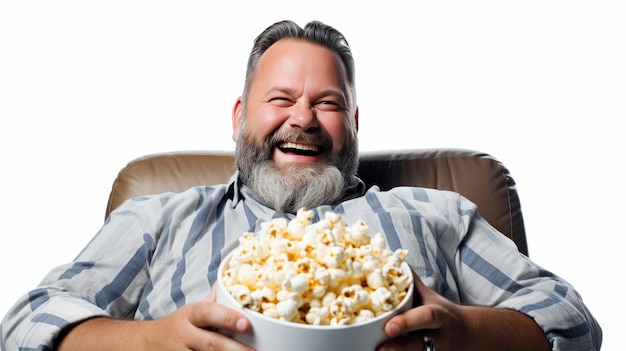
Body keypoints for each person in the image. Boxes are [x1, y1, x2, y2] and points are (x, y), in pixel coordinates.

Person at [1, 20, 601, 351]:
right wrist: (158, 341)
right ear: (240, 118)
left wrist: (462, 331)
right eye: (281, 99)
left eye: (328, 103)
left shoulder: (434, 212)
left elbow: (572, 320)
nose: (304, 119)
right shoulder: (159, 218)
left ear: (355, 125)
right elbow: (26, 323)